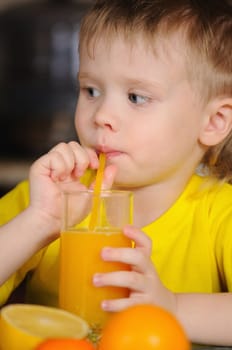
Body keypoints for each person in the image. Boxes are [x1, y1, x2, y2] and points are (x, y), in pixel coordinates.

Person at [0, 0, 232, 345]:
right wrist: (39, 222)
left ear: (213, 122)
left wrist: (172, 307)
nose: (101, 115)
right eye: (91, 90)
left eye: (137, 97)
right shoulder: (49, 197)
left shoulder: (219, 212)